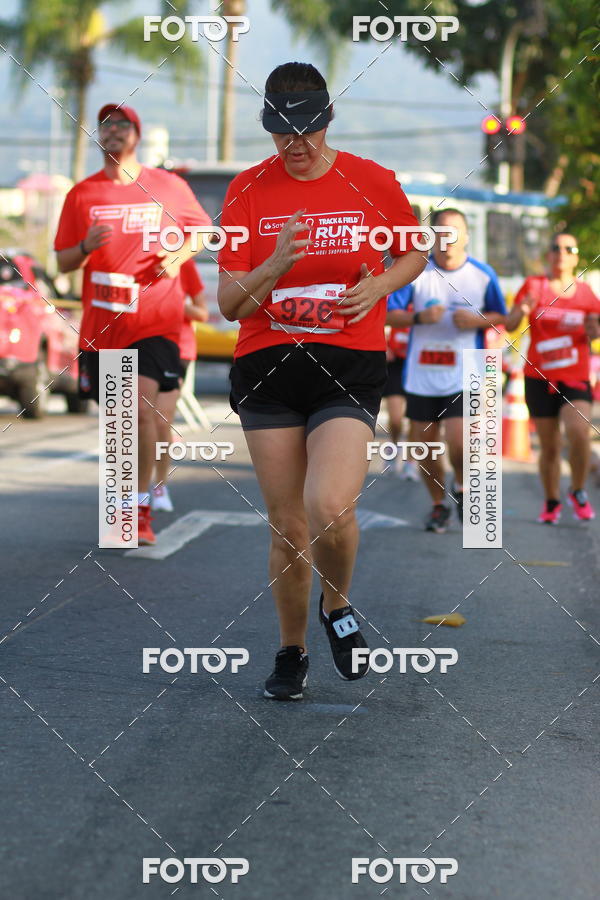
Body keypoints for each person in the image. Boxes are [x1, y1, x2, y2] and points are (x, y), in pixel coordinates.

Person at [217, 62, 426, 700]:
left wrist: (382, 284)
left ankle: (337, 606)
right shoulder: (247, 190)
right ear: (269, 128)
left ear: (328, 120)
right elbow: (230, 303)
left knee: (331, 508)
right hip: (270, 367)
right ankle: (290, 652)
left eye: (307, 129)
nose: (296, 144)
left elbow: (413, 249)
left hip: (346, 365)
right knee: (287, 525)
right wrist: (275, 263)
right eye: (283, 131)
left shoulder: (371, 180)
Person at [54, 104, 211, 545]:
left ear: (137, 136)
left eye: (123, 124)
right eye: (106, 125)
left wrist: (177, 255)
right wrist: (85, 245)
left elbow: (202, 231)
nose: (114, 131)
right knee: (120, 423)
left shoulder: (167, 186)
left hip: (155, 321)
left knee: (140, 412)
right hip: (104, 327)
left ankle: (138, 508)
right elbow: (63, 260)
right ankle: (127, 505)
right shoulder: (82, 195)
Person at [387, 208, 506, 533]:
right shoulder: (416, 272)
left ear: (466, 237)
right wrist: (417, 319)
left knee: (459, 441)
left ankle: (464, 487)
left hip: (465, 371)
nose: (447, 239)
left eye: (454, 232)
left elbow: (502, 315)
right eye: (441, 232)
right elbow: (388, 313)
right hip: (421, 373)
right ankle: (439, 505)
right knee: (424, 449)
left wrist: (478, 320)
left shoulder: (482, 274)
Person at [505, 232, 600, 523]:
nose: (561, 253)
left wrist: (594, 327)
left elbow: (595, 335)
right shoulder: (534, 286)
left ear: (576, 257)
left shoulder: (586, 293)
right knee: (549, 447)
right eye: (555, 247)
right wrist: (521, 309)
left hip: (575, 378)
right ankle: (551, 501)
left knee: (579, 433)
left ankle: (578, 489)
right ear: (548, 254)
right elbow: (510, 325)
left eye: (568, 248)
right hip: (538, 378)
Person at [151, 258, 209, 512]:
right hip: (136, 342)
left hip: (176, 348)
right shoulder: (131, 259)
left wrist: (176, 303)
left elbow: (202, 312)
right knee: (133, 419)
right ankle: (130, 492)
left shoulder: (182, 264)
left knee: (161, 419)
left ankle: (160, 485)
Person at [382, 299, 419, 479]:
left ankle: (410, 461)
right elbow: (378, 322)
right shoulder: (394, 299)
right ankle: (393, 448)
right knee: (396, 418)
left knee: (414, 419)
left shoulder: (425, 300)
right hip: (395, 364)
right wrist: (384, 346)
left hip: (417, 365)